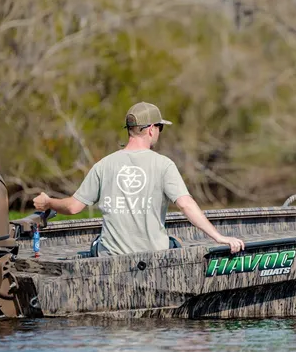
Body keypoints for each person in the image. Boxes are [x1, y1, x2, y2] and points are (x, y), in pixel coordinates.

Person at [33, 101, 245, 256]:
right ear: (151, 129)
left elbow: (72, 208)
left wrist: (47, 202)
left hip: (111, 258)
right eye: (160, 127)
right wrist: (219, 237)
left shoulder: (103, 165)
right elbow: (186, 205)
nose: (160, 132)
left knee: (96, 244)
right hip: (154, 256)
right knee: (175, 243)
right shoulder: (164, 165)